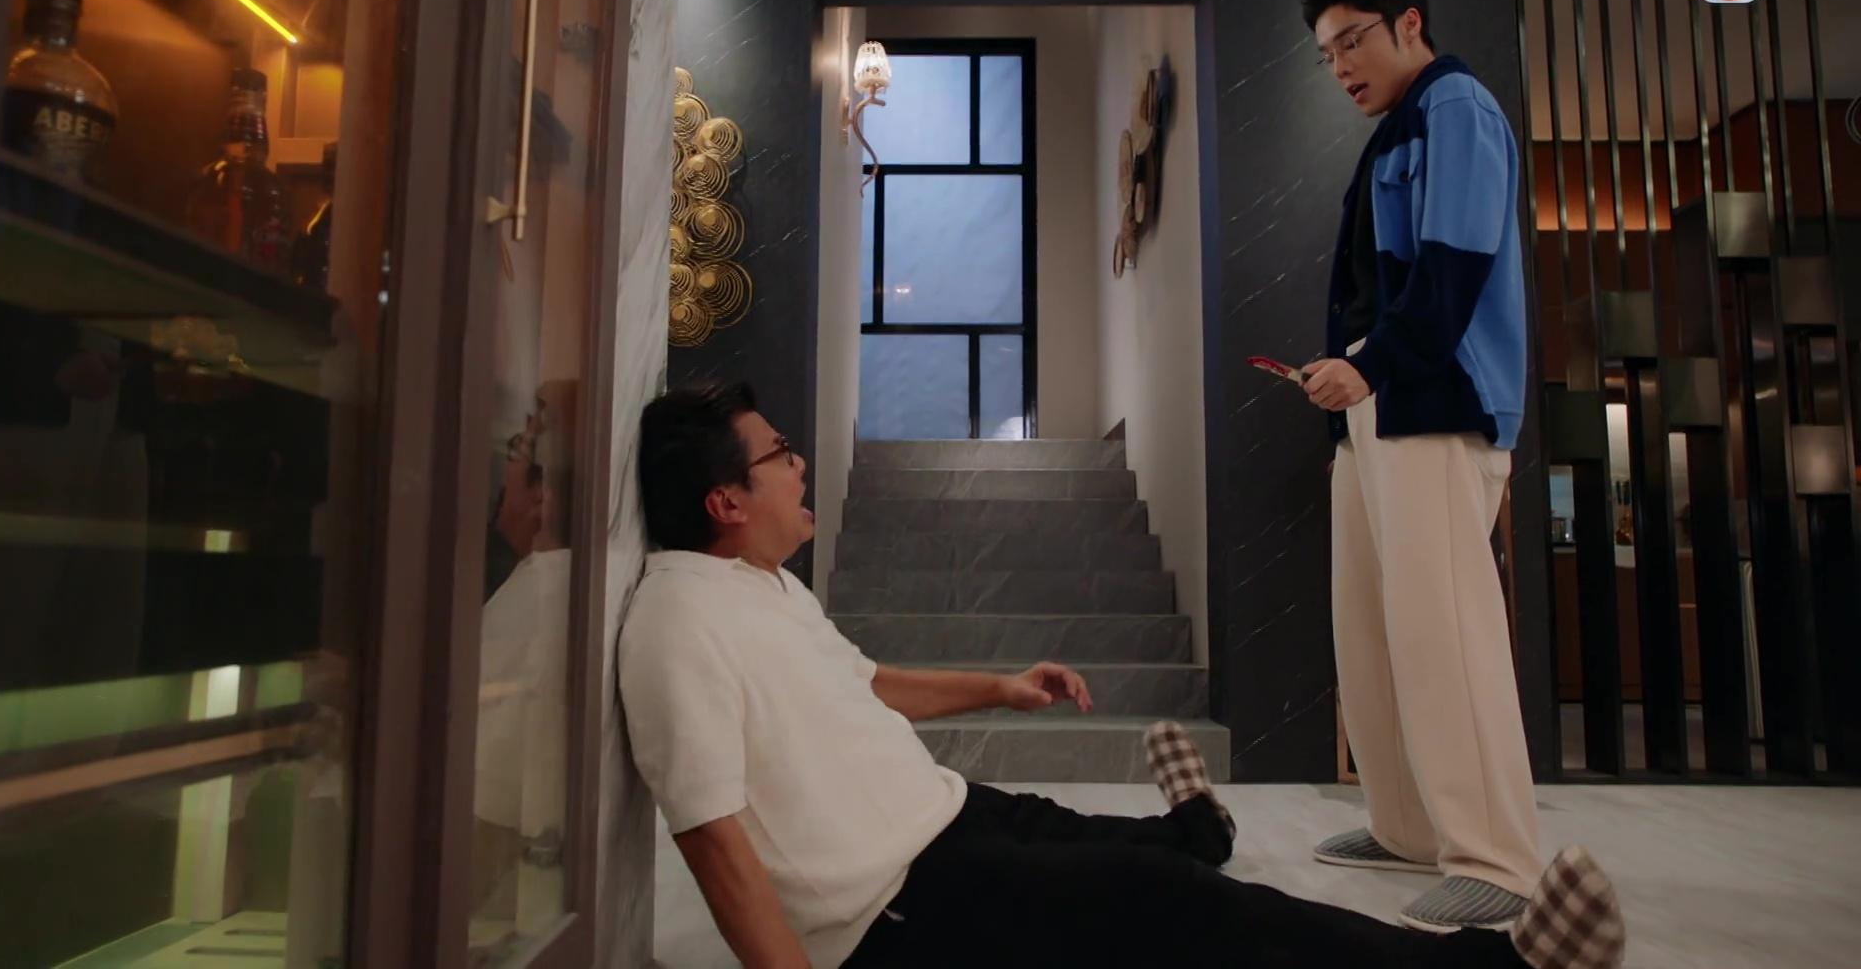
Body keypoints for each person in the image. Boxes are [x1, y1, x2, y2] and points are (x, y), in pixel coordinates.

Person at [619, 382, 1624, 969]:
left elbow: (869, 682)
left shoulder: (766, 586)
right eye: (780, 456)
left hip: (945, 819)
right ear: (725, 501)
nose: (800, 467)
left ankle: (1193, 827)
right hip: (898, 906)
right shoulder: (677, 625)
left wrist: (1001, 686)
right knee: (1169, 904)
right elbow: (714, 844)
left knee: (1098, 834)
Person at [1297, 0, 1544, 932]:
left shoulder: (1457, 108)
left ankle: (1498, 859)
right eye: (1326, 55)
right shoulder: (1394, 131)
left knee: (1447, 635)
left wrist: (1371, 367)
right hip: (1377, 405)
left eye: (1351, 42)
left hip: (1434, 401)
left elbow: (1452, 268)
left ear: (1410, 22)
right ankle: (1403, 826)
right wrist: (1349, 379)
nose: (1339, 68)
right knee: (1370, 632)